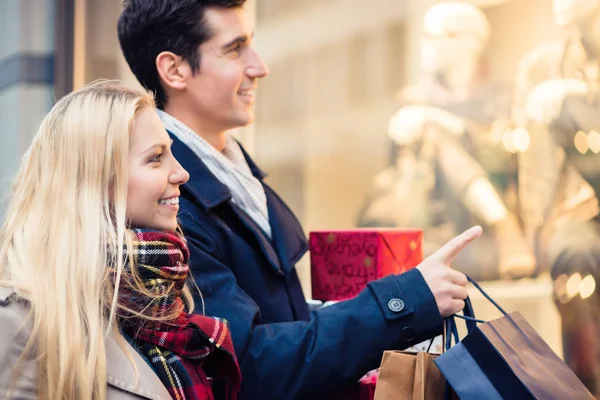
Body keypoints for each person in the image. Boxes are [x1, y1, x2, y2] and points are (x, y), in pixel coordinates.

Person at [118, 1, 482, 398]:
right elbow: (247, 363)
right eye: (234, 49)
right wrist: (402, 301)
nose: (259, 66)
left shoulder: (235, 177)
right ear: (174, 69)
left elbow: (280, 321)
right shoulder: (167, 206)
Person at [0, 81, 241, 400]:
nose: (181, 173)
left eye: (171, 153)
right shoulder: (19, 321)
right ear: (96, 180)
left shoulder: (164, 296)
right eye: (156, 158)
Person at [358, 1, 534, 282]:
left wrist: (441, 121)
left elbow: (507, 153)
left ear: (473, 43)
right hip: (431, 232)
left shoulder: (501, 99)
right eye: (426, 35)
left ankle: (502, 222)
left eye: (445, 35)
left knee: (434, 129)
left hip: (483, 240)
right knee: (432, 133)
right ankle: (501, 220)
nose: (428, 44)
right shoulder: (412, 101)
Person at [513, 0, 600, 393]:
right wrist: (536, 229)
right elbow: (532, 160)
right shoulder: (544, 66)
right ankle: (586, 388)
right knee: (572, 253)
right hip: (581, 215)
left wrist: (582, 95)